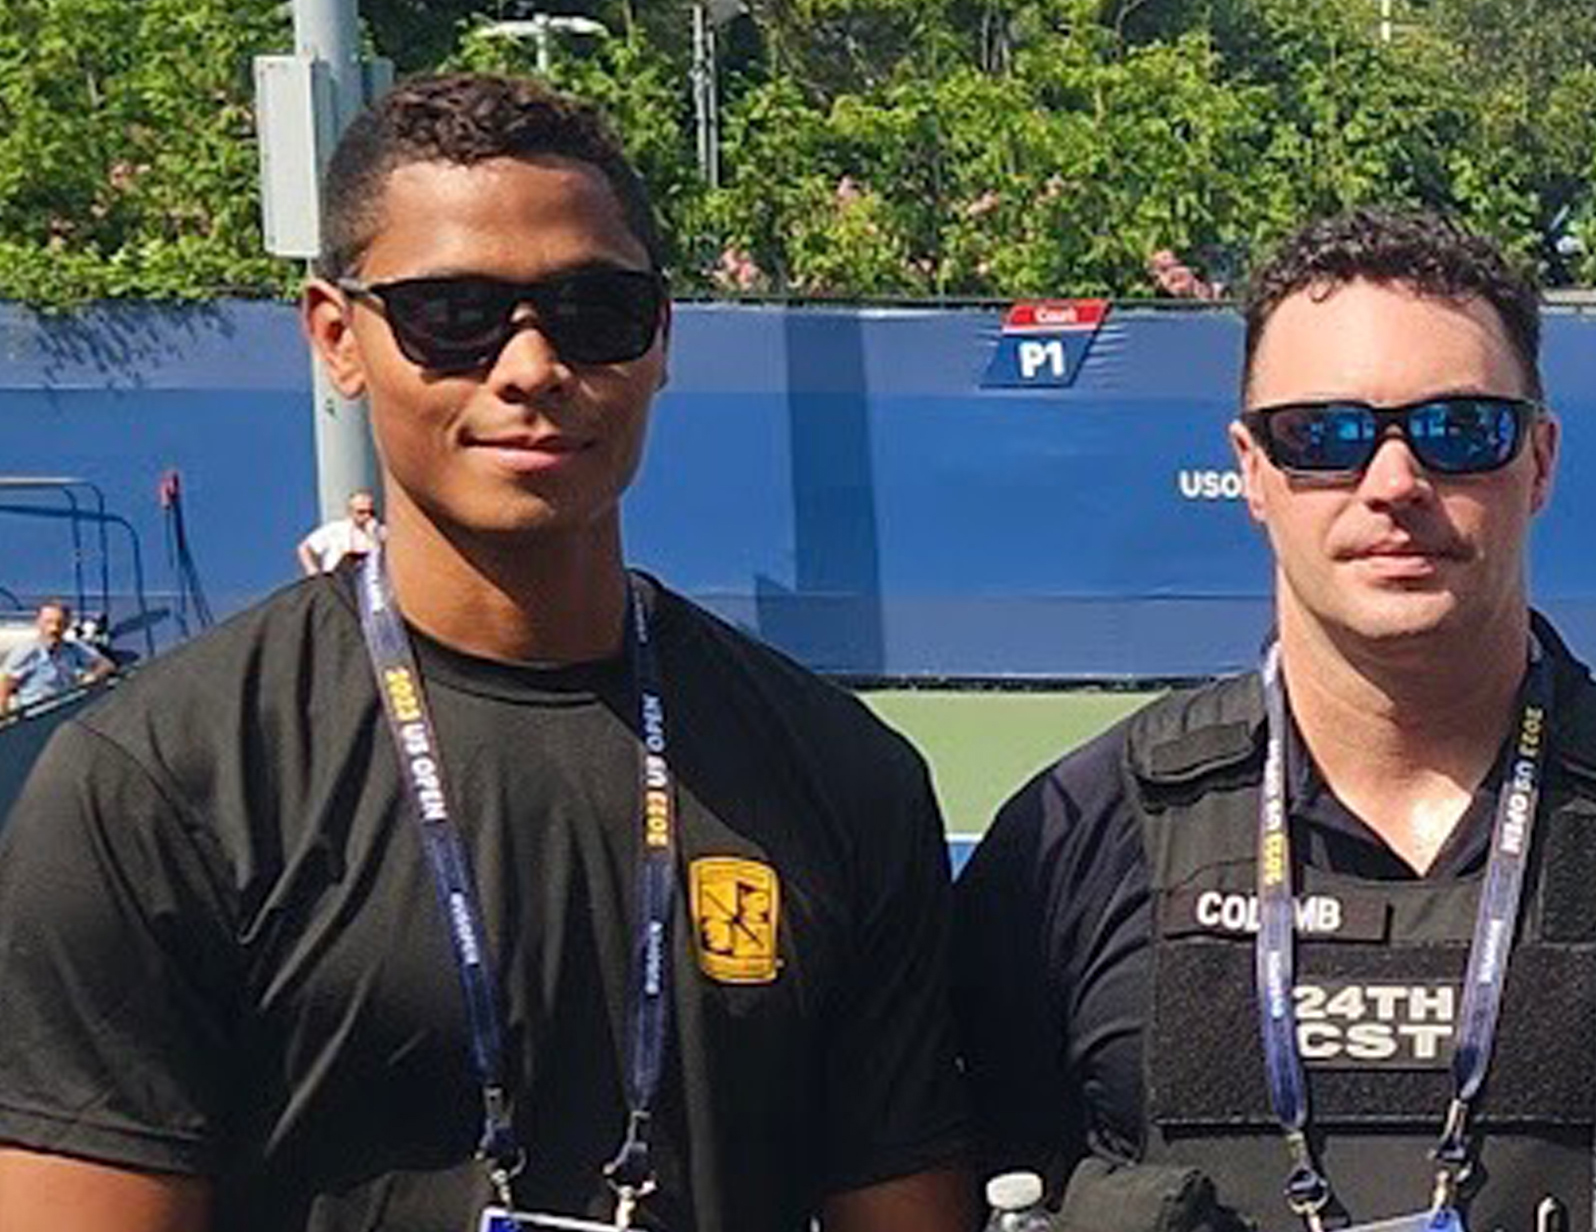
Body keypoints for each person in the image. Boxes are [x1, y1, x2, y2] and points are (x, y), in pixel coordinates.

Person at [0, 73, 971, 1232]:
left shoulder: (844, 776)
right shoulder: (161, 784)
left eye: (595, 309)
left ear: (661, 336)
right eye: (453, 313)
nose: (530, 366)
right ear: (337, 337)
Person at [954, 209, 1596, 1232]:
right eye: (1322, 436)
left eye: (1460, 431)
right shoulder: (1075, 844)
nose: (1394, 483)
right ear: (1251, 469)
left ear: (1539, 460)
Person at [0, 600, 113, 715]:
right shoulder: (27, 652)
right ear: (38, 623)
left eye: (60, 623)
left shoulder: (74, 648)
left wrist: (92, 676)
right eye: (48, 622)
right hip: (38, 715)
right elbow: (4, 686)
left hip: (70, 713)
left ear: (67, 625)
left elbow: (107, 665)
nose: (54, 629)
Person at [297, 487, 385, 575]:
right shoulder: (336, 529)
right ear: (350, 512)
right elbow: (304, 547)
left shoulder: (378, 532)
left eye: (371, 512)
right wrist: (312, 570)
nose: (367, 516)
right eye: (361, 512)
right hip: (336, 579)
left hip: (369, 581)